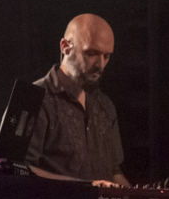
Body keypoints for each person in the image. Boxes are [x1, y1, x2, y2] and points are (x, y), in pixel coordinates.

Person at [25, 14, 130, 187]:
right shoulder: (32, 99)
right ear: (65, 47)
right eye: (92, 53)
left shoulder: (105, 105)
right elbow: (14, 170)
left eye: (107, 56)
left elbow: (113, 171)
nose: (101, 65)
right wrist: (85, 187)